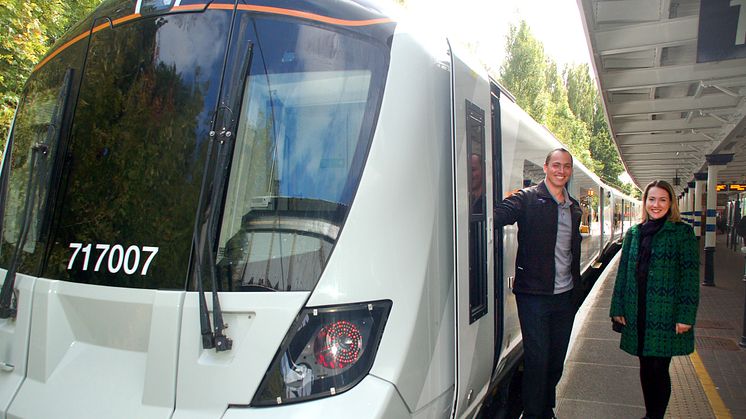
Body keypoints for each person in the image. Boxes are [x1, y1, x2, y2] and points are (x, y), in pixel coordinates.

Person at [494, 148, 583, 419]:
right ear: (545, 167)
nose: (561, 171)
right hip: (534, 295)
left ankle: (546, 409)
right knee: (538, 359)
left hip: (564, 295)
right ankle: (534, 414)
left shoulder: (574, 207)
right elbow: (499, 214)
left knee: (556, 361)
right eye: (556, 165)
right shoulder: (528, 199)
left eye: (566, 166)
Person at [609, 180, 699, 419]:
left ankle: (655, 416)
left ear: (671, 203)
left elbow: (690, 278)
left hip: (665, 315)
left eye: (662, 200)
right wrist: (617, 307)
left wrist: (685, 316)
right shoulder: (634, 233)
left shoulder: (682, 233)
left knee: (659, 368)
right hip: (637, 311)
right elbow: (623, 273)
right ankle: (650, 414)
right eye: (651, 199)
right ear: (645, 202)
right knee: (646, 366)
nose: (656, 205)